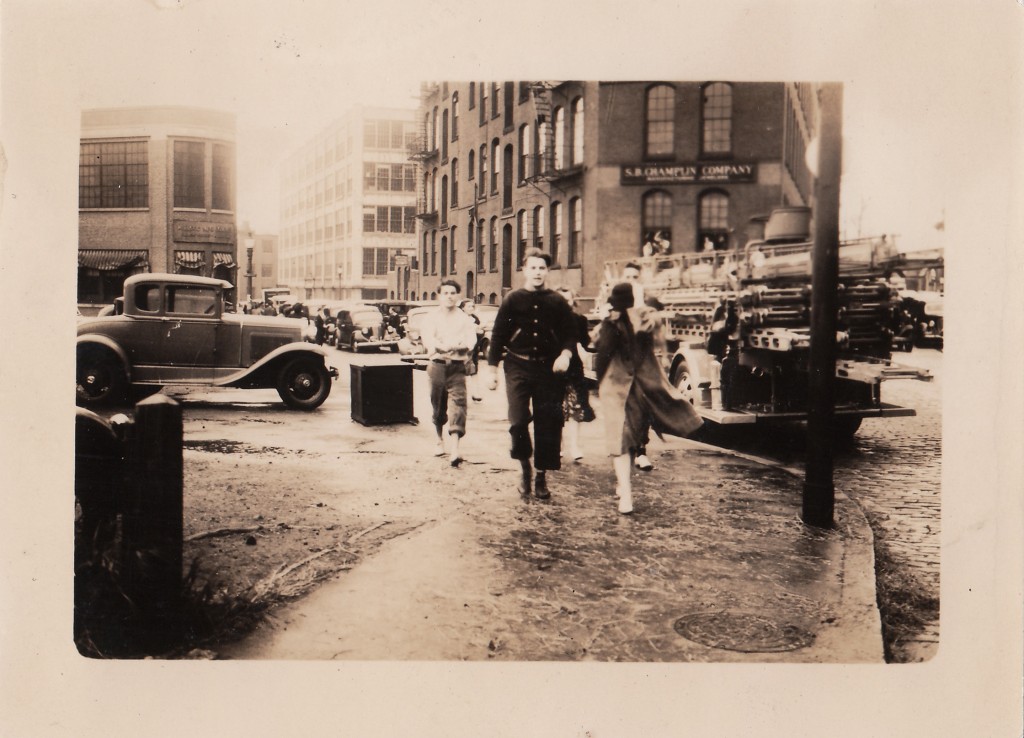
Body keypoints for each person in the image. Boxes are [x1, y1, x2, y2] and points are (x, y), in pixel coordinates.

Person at [594, 283, 703, 514]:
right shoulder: (611, 325)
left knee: (632, 436)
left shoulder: (644, 320)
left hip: (641, 386)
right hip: (615, 387)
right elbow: (602, 356)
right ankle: (626, 491)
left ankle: (623, 484)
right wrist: (602, 383)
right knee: (621, 438)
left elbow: (655, 329)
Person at [486, 248, 577, 501]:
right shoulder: (513, 299)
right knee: (517, 420)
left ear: (547, 271)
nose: (537, 272)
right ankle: (524, 468)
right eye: (533, 267)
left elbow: (570, 333)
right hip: (518, 366)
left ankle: (541, 475)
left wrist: (565, 355)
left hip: (548, 369)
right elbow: (497, 336)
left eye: (542, 268)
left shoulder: (556, 301)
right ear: (524, 270)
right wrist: (492, 369)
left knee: (549, 423)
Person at [420, 279, 480, 467]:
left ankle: (455, 449)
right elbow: (428, 338)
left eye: (453, 293)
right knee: (438, 405)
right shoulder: (431, 317)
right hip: (437, 366)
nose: (449, 296)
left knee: (459, 405)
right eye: (445, 293)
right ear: (439, 295)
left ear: (457, 296)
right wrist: (439, 345)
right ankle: (439, 440)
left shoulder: (464, 318)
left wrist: (458, 346)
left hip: (457, 367)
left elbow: (471, 341)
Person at [621, 261, 664, 472]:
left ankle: (641, 451)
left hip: (643, 365)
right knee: (626, 410)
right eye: (627, 277)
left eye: (634, 278)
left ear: (640, 280)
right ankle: (627, 452)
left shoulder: (649, 304)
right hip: (620, 367)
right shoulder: (615, 304)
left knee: (643, 407)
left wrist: (640, 309)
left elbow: (653, 329)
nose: (630, 281)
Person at [555, 287, 595, 462]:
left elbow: (586, 342)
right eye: (561, 299)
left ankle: (575, 445)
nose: (565, 302)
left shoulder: (579, 319)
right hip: (552, 368)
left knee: (575, 408)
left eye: (568, 299)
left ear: (573, 301)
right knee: (555, 408)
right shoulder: (549, 320)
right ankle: (558, 445)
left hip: (573, 369)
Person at [460, 299, 485, 402]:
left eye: (472, 306)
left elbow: (480, 332)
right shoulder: (459, 318)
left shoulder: (475, 318)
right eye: (468, 306)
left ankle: (475, 393)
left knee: (474, 371)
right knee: (460, 371)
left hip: (473, 349)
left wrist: (480, 332)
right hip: (461, 349)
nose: (471, 308)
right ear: (462, 308)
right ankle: (459, 393)